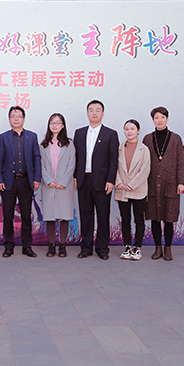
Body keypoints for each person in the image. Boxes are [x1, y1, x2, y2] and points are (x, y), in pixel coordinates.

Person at [73, 100, 119, 260]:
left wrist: (111, 180)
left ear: (103, 113)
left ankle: (102, 248)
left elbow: (114, 160)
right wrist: (75, 177)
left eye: (97, 110)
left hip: (102, 181)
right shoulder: (79, 133)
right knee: (85, 215)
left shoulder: (110, 134)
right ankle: (86, 247)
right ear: (87, 113)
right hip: (83, 180)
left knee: (103, 215)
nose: (94, 113)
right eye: (91, 110)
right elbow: (76, 157)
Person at [0, 106, 42, 258]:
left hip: (26, 181)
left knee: (26, 215)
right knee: (8, 215)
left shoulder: (32, 136)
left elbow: (36, 158)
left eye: (19, 116)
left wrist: (37, 178)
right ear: (9, 119)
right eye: (13, 116)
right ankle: (8, 246)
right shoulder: (3, 137)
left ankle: (27, 246)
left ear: (23, 119)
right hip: (8, 182)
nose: (16, 119)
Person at [142, 107, 184, 261]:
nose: (159, 120)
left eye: (162, 117)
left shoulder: (175, 139)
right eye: (156, 118)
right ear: (153, 120)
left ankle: (168, 248)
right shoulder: (148, 139)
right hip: (152, 184)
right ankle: (157, 248)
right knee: (154, 218)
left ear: (167, 119)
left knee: (169, 218)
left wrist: (181, 182)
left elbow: (181, 162)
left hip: (171, 184)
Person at [39, 113, 76, 258]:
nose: (54, 125)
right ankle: (51, 245)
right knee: (50, 216)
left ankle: (62, 245)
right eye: (52, 123)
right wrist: (48, 180)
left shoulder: (69, 144)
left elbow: (71, 164)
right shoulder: (43, 144)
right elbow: (41, 165)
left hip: (63, 186)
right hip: (49, 185)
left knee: (64, 216)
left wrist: (63, 182)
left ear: (63, 125)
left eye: (57, 123)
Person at [114, 119, 151, 261]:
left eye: (132, 129)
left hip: (138, 189)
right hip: (122, 189)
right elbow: (114, 166)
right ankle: (127, 246)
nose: (129, 131)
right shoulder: (119, 148)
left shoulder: (144, 149)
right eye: (127, 129)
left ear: (138, 130)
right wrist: (119, 182)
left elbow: (145, 170)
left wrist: (131, 184)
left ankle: (137, 247)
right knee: (125, 219)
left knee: (139, 219)